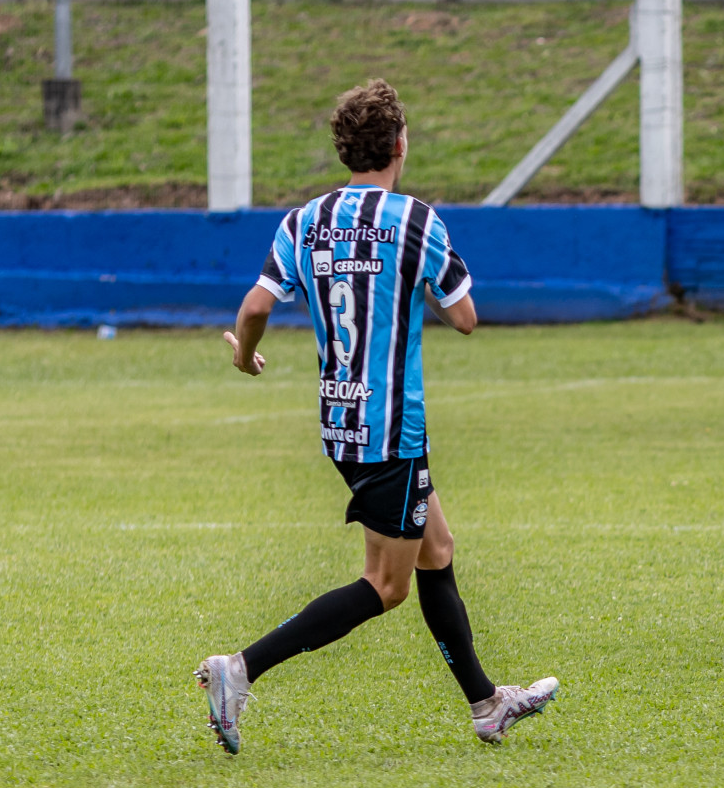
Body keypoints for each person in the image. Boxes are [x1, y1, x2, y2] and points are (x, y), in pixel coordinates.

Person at [196, 79, 557, 754]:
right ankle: (238, 670)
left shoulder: (304, 221)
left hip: (343, 423)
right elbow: (466, 317)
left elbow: (252, 308)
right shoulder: (417, 220)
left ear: (345, 150)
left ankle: (486, 704)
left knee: (437, 550)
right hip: (393, 427)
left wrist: (246, 357)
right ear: (399, 144)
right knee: (386, 585)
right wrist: (417, 277)